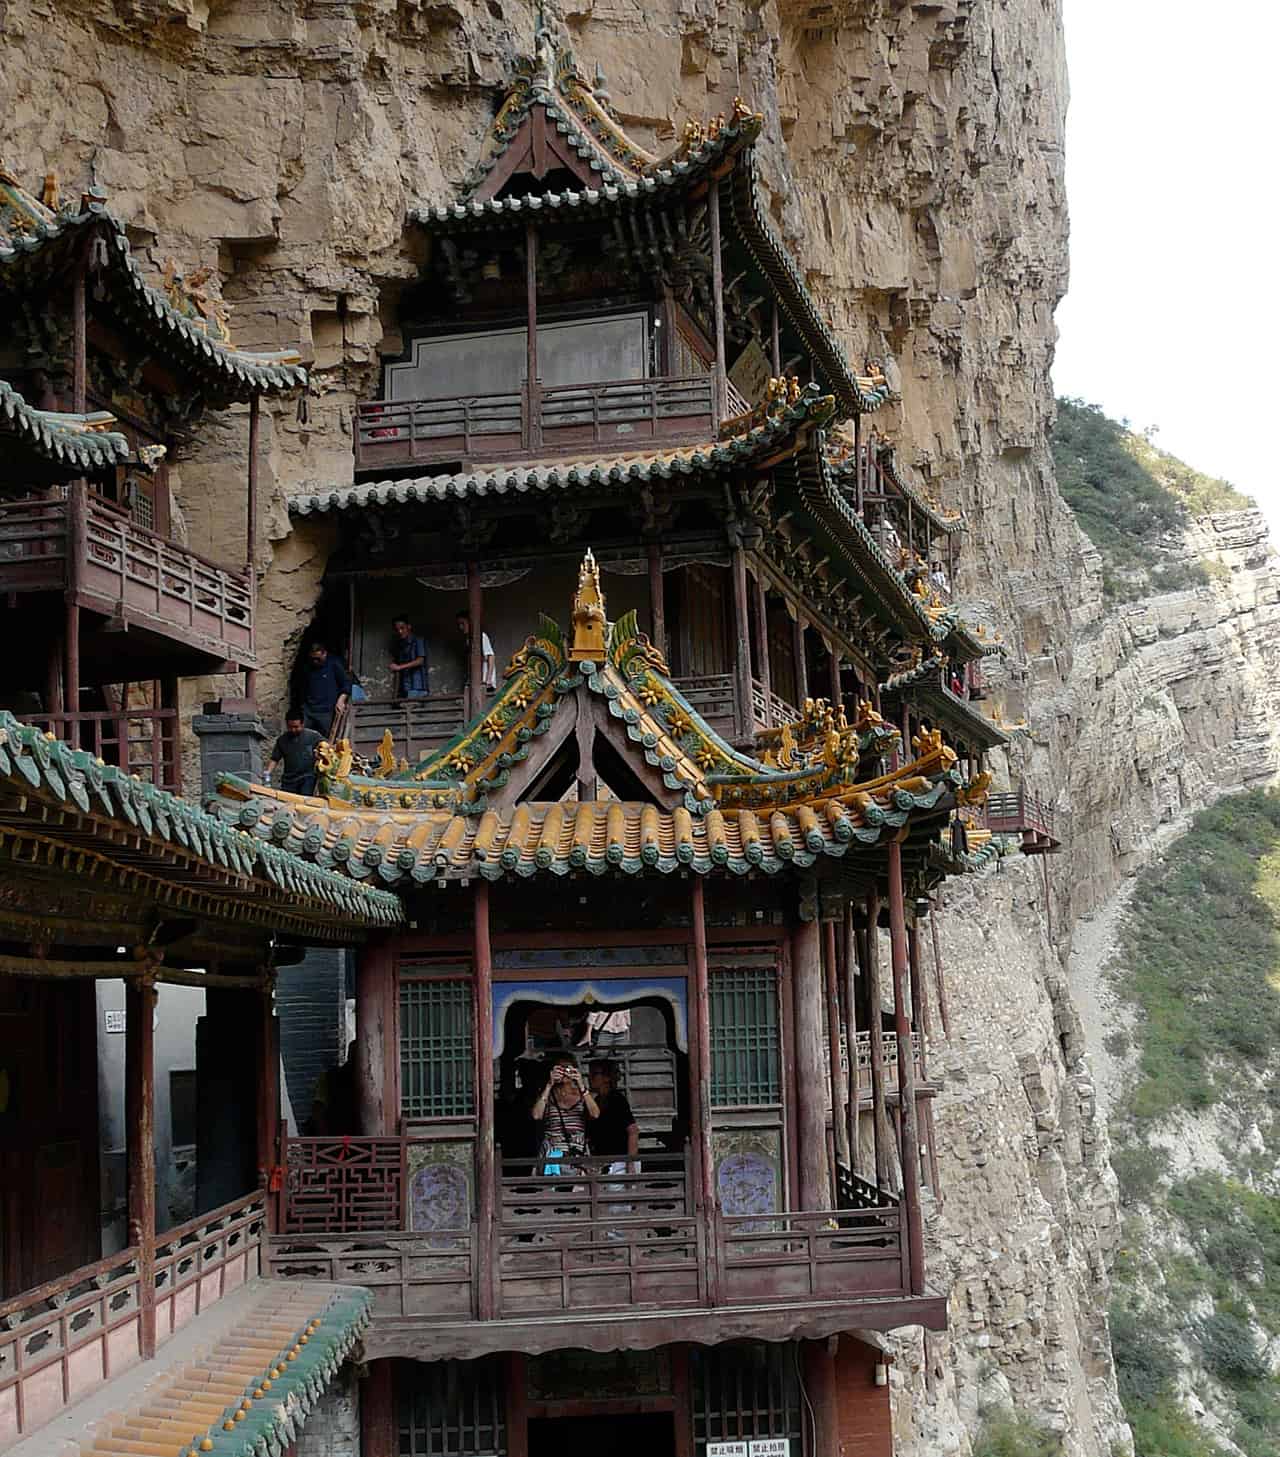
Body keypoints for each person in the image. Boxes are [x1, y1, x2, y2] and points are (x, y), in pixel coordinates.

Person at [529, 1054, 598, 1177]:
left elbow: (595, 1114)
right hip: (552, 1154)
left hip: (577, 1153)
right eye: (560, 1068)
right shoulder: (549, 1095)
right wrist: (549, 1084)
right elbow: (536, 1115)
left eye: (568, 1068)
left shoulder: (582, 1096)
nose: (564, 1072)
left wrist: (581, 1085)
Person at [299, 642, 351, 735]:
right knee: (304, 736)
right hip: (308, 710)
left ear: (325, 654)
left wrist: (341, 700)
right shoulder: (307, 665)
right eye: (313, 658)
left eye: (318, 659)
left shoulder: (334, 663)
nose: (315, 661)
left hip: (326, 711)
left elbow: (346, 683)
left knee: (326, 740)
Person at [265, 710, 322, 794]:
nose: (293, 730)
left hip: (307, 777)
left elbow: (325, 747)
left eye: (296, 727)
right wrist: (268, 772)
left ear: (302, 724)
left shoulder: (313, 736)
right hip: (289, 780)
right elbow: (275, 758)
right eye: (290, 727)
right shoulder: (282, 740)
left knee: (304, 800)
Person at [389, 614, 428, 698]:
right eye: (397, 629)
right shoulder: (400, 645)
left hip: (417, 686)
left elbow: (420, 661)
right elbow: (397, 669)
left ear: (409, 626)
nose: (400, 631)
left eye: (402, 628)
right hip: (405, 687)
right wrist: (395, 695)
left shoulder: (418, 640)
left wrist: (400, 667)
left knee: (412, 709)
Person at [456, 612, 497, 694]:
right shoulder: (468, 639)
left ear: (470, 623)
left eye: (463, 623)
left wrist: (488, 679)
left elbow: (491, 656)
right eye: (459, 624)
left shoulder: (481, 636)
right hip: (476, 681)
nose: (461, 627)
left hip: (485, 681)